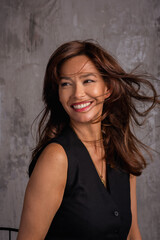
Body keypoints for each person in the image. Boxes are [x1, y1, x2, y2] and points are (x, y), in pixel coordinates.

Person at [17, 40, 159, 240]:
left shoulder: (120, 152)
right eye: (66, 84)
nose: (77, 94)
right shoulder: (57, 158)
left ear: (107, 88)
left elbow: (132, 234)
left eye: (88, 80)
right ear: (58, 94)